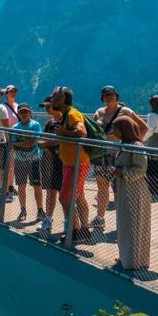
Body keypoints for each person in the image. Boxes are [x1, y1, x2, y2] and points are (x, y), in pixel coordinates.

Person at [90, 86, 148, 230]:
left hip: (121, 157)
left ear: (117, 97)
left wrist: (134, 146)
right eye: (106, 95)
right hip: (102, 156)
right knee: (102, 188)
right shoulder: (98, 113)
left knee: (119, 190)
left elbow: (143, 127)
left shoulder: (126, 112)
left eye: (111, 95)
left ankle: (120, 221)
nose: (109, 97)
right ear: (102, 98)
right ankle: (100, 218)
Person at [111, 116, 151, 270]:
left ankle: (135, 260)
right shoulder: (124, 145)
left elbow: (141, 168)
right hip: (125, 188)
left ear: (124, 129)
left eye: (116, 127)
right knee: (124, 222)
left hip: (135, 189)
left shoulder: (136, 146)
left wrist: (121, 171)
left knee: (134, 223)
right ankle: (126, 256)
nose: (113, 131)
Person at [51, 86, 91, 242]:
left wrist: (63, 133)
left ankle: (74, 231)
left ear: (62, 99)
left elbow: (82, 132)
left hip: (76, 164)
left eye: (54, 97)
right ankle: (84, 231)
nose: (52, 100)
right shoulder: (64, 115)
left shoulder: (73, 114)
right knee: (79, 196)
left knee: (65, 198)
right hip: (71, 163)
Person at [11, 103, 45, 221]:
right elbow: (14, 145)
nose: (24, 114)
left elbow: (31, 143)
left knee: (37, 186)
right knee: (21, 186)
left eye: (26, 111)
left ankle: (40, 210)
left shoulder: (35, 125)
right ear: (18, 114)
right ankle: (23, 209)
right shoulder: (15, 128)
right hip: (20, 160)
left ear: (30, 112)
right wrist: (21, 144)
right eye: (21, 112)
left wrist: (17, 144)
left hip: (34, 160)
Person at [37, 97, 64, 234]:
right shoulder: (49, 123)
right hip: (49, 159)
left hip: (62, 160)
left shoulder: (64, 121)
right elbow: (44, 138)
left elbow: (60, 140)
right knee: (51, 190)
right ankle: (48, 218)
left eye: (48, 106)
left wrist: (46, 144)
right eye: (45, 107)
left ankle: (68, 222)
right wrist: (47, 146)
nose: (46, 109)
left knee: (64, 192)